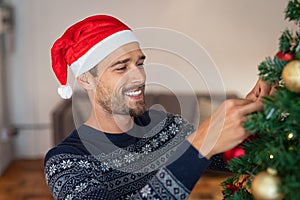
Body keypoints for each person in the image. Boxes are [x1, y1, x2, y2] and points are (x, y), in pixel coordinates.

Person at [44, 15, 271, 200]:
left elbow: (236, 158)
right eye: (121, 67)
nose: (139, 77)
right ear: (85, 80)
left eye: (140, 63)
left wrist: (256, 113)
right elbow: (201, 148)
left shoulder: (164, 126)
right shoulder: (65, 161)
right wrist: (200, 142)